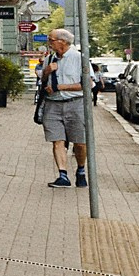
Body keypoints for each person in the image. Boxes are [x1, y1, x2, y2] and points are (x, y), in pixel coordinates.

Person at [39, 28, 88, 187]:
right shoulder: (50, 58)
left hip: (75, 104)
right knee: (57, 140)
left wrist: (61, 87)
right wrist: (46, 72)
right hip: (53, 104)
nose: (49, 43)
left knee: (80, 142)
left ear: (63, 42)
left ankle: (81, 170)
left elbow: (88, 84)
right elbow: (44, 80)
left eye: (51, 40)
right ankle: (63, 175)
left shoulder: (79, 58)